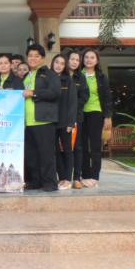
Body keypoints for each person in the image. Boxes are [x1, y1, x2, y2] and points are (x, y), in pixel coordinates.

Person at [22, 44, 60, 191]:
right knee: (31, 155)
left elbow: (55, 93)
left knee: (46, 154)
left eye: (36, 56)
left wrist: (34, 93)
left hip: (44, 120)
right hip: (28, 122)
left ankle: (50, 183)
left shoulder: (49, 74)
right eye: (30, 56)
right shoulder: (26, 76)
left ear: (42, 58)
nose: (33, 58)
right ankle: (35, 181)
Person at [80, 48, 113, 188]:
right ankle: (85, 175)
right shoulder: (77, 75)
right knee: (82, 146)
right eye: (86, 57)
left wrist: (107, 116)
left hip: (96, 113)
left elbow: (107, 97)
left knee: (95, 146)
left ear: (97, 60)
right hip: (80, 113)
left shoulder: (101, 77)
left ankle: (94, 176)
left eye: (92, 57)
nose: (89, 60)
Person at [51, 54, 77, 190]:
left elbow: (73, 102)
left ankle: (68, 179)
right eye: (56, 62)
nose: (58, 65)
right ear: (52, 63)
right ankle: (61, 178)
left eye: (62, 63)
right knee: (54, 151)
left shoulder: (68, 81)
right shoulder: (48, 79)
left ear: (65, 66)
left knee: (67, 150)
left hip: (65, 121)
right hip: (50, 121)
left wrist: (71, 122)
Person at [66, 50, 89, 190]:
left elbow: (85, 96)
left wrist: (72, 106)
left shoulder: (81, 77)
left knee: (77, 147)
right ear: (67, 60)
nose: (74, 62)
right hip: (61, 117)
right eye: (72, 59)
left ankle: (77, 177)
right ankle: (64, 177)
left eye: (77, 60)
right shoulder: (61, 75)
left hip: (76, 116)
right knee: (63, 147)